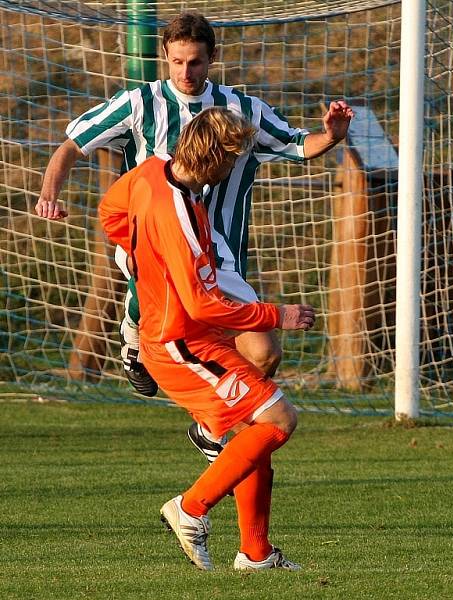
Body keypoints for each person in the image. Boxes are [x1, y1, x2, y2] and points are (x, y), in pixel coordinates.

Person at [35, 12, 352, 458]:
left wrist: (332, 136)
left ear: (212, 59)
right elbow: (71, 146)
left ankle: (210, 427)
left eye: (196, 63)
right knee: (155, 296)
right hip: (159, 246)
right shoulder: (138, 103)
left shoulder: (242, 110)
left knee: (265, 356)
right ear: (164, 55)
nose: (186, 73)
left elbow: (299, 146)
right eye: (178, 62)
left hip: (220, 258)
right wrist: (49, 195)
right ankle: (136, 331)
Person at [99, 106, 312, 571]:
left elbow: (110, 211)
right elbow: (200, 304)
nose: (233, 167)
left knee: (249, 436)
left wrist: (137, 255)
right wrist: (279, 314)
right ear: (212, 155)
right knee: (279, 420)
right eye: (231, 159)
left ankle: (255, 554)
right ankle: (190, 508)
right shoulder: (177, 218)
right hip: (180, 343)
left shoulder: (150, 171)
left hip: (192, 337)